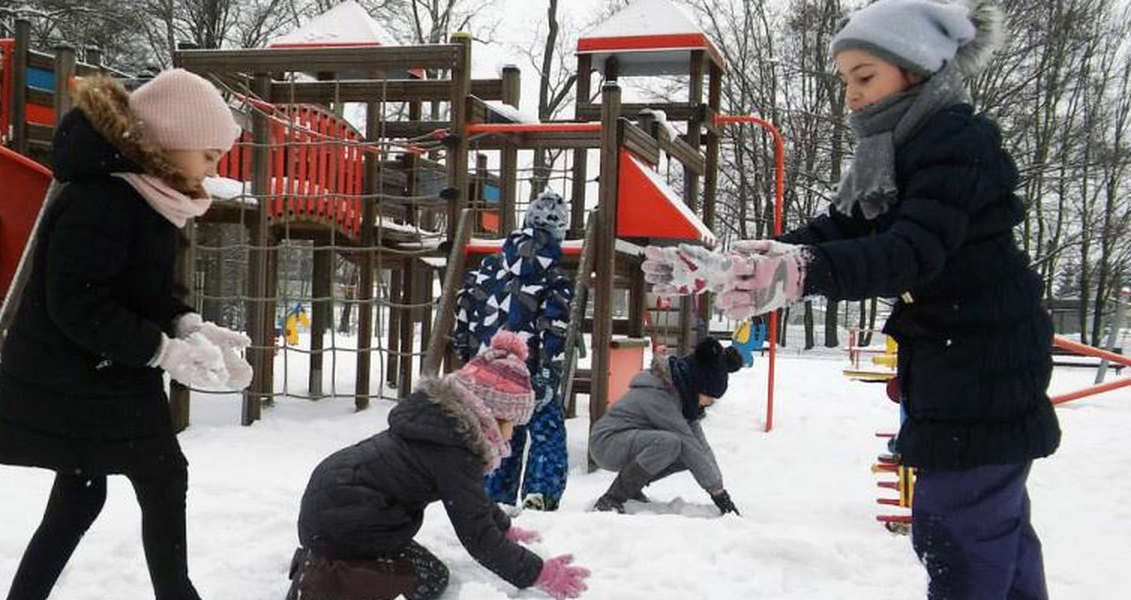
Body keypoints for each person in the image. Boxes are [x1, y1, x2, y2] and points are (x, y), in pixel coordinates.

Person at [642, 1, 1059, 598]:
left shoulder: (955, 142)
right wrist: (734, 264)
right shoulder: (892, 152)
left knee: (958, 529)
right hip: (956, 361)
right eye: (846, 81)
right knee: (992, 532)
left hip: (984, 364)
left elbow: (910, 251)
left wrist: (796, 273)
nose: (852, 96)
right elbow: (838, 233)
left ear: (916, 68)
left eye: (865, 77)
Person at [0, 69, 252, 600]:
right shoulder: (101, 201)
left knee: (83, 496)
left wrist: (189, 326)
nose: (214, 170)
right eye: (211, 155)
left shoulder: (147, 197)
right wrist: (162, 351)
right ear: (170, 143)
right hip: (78, 373)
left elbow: (147, 292)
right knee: (162, 477)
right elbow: (77, 303)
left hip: (103, 369)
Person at [288, 331, 589, 600]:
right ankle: (325, 578)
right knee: (430, 580)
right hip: (346, 517)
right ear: (492, 415)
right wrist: (539, 573)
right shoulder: (453, 451)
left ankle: (329, 560)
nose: (514, 433)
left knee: (423, 571)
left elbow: (473, 499)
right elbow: (478, 536)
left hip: (335, 504)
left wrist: (504, 528)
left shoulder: (443, 429)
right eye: (513, 423)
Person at [453, 190, 573, 511]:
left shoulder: (489, 267)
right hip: (528, 370)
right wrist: (549, 371)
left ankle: (494, 494)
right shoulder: (554, 278)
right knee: (546, 430)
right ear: (560, 232)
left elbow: (464, 304)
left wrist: (466, 352)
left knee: (499, 430)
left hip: (487, 366)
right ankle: (540, 493)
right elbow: (554, 327)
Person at [589, 337, 743, 516]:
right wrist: (718, 494)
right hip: (606, 443)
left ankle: (631, 487)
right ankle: (612, 499)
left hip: (627, 441)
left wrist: (719, 489)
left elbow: (700, 447)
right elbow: (688, 444)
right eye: (709, 397)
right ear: (699, 383)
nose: (709, 403)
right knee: (671, 443)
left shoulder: (681, 397)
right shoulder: (660, 395)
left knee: (687, 453)